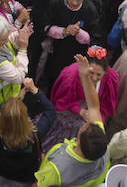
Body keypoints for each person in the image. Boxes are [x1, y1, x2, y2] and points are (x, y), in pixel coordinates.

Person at [34, 56, 110, 187]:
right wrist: (85, 76)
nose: (86, 123)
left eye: (85, 127)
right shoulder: (103, 151)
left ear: (78, 140)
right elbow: (94, 106)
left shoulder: (57, 168)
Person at [37, 0, 99, 89]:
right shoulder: (55, 3)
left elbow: (96, 37)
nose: (74, 3)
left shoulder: (90, 9)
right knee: (55, 80)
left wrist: (79, 33)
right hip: (57, 52)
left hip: (79, 55)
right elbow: (44, 27)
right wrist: (64, 31)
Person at [0, 96, 44, 187]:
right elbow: (51, 112)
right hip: (23, 178)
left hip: (1, 171)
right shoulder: (33, 139)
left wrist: (14, 102)